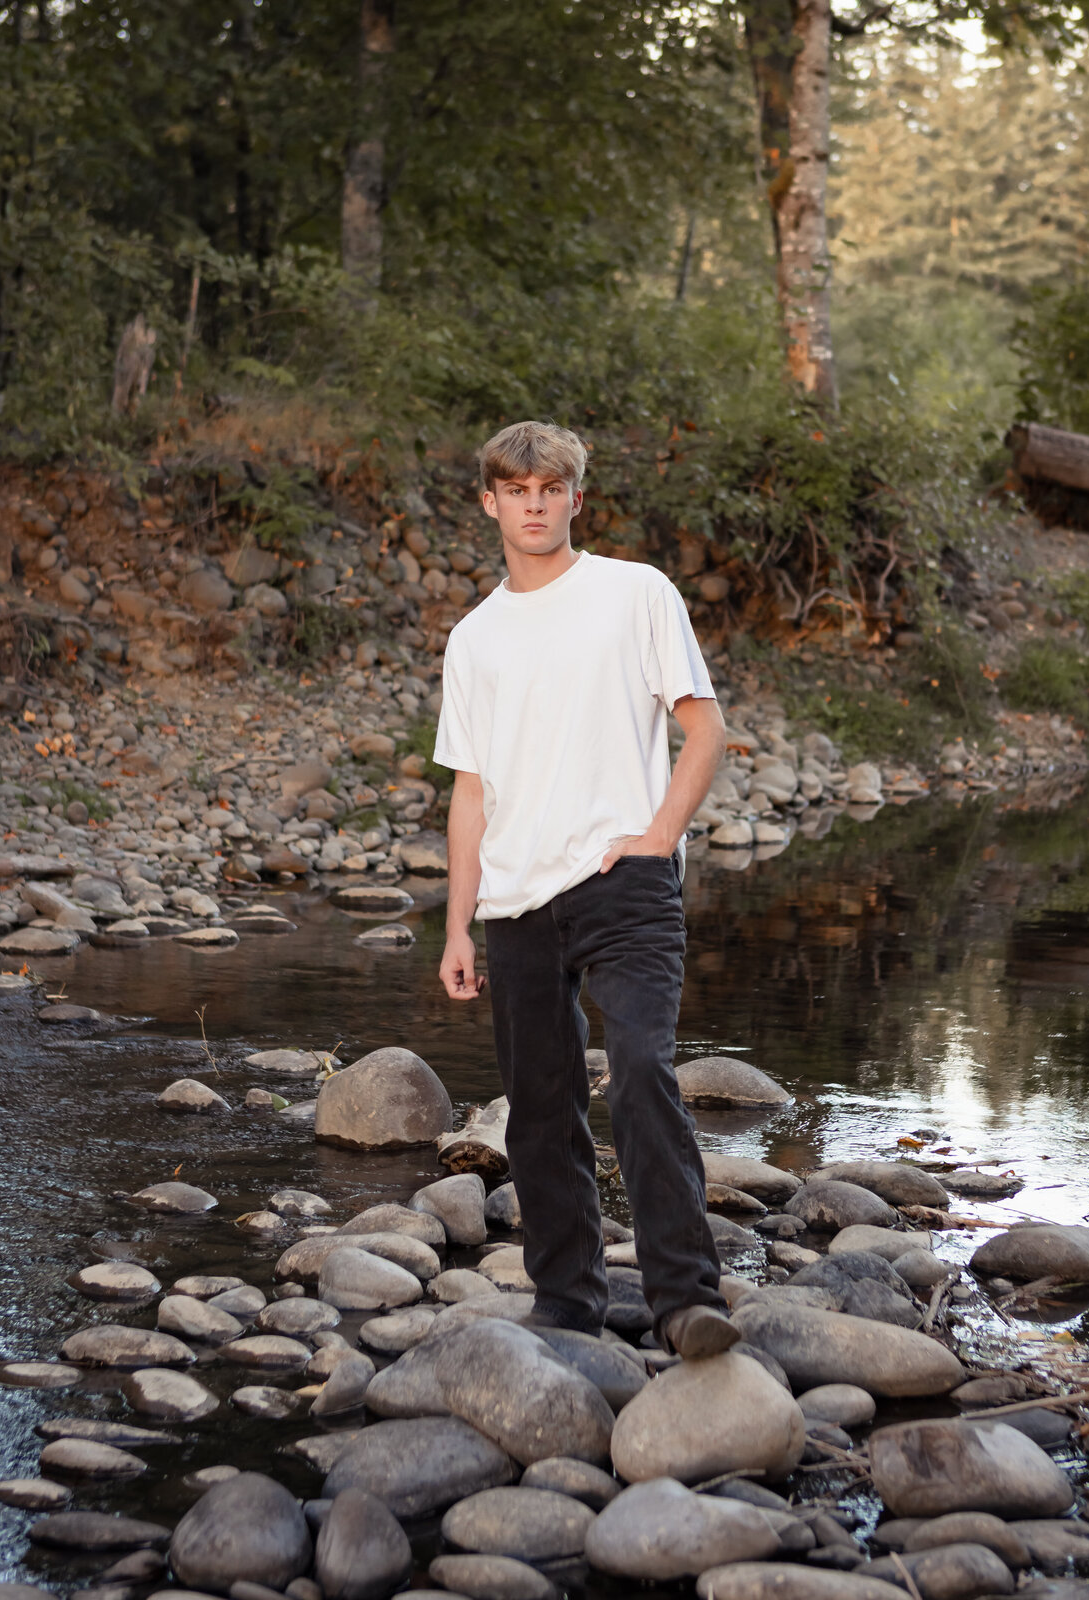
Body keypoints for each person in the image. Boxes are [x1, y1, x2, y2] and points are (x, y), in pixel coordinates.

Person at [433, 419, 736, 1360]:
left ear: (574, 498)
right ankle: (568, 1300)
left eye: (549, 489)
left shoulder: (633, 593)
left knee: (643, 1067)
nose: (533, 504)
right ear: (490, 501)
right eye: (515, 490)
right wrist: (457, 927)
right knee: (540, 1103)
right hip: (517, 902)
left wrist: (657, 838)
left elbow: (706, 728)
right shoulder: (474, 639)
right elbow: (471, 792)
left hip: (624, 881)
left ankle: (685, 1297)